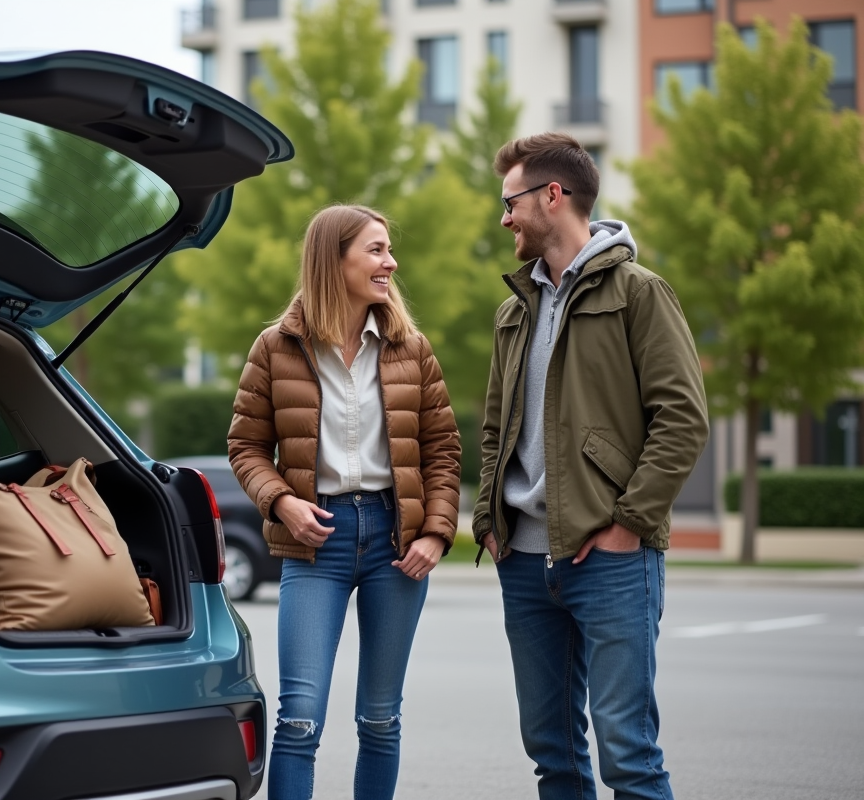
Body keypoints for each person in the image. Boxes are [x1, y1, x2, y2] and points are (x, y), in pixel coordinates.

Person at [472, 131, 708, 800]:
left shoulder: (639, 293)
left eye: (511, 201)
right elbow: (496, 428)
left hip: (610, 558)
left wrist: (629, 523)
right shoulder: (513, 310)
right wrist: (490, 519)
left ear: (553, 195)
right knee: (552, 753)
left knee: (627, 754)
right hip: (523, 558)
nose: (504, 217)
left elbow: (683, 419)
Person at [228, 204, 460, 800]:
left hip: (394, 540)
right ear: (335, 259)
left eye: (388, 250)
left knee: (380, 719)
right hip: (315, 543)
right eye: (377, 250)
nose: (392, 262)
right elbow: (246, 446)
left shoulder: (412, 347)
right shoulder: (275, 347)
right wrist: (281, 503)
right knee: (299, 719)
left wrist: (435, 533)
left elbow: (442, 451)